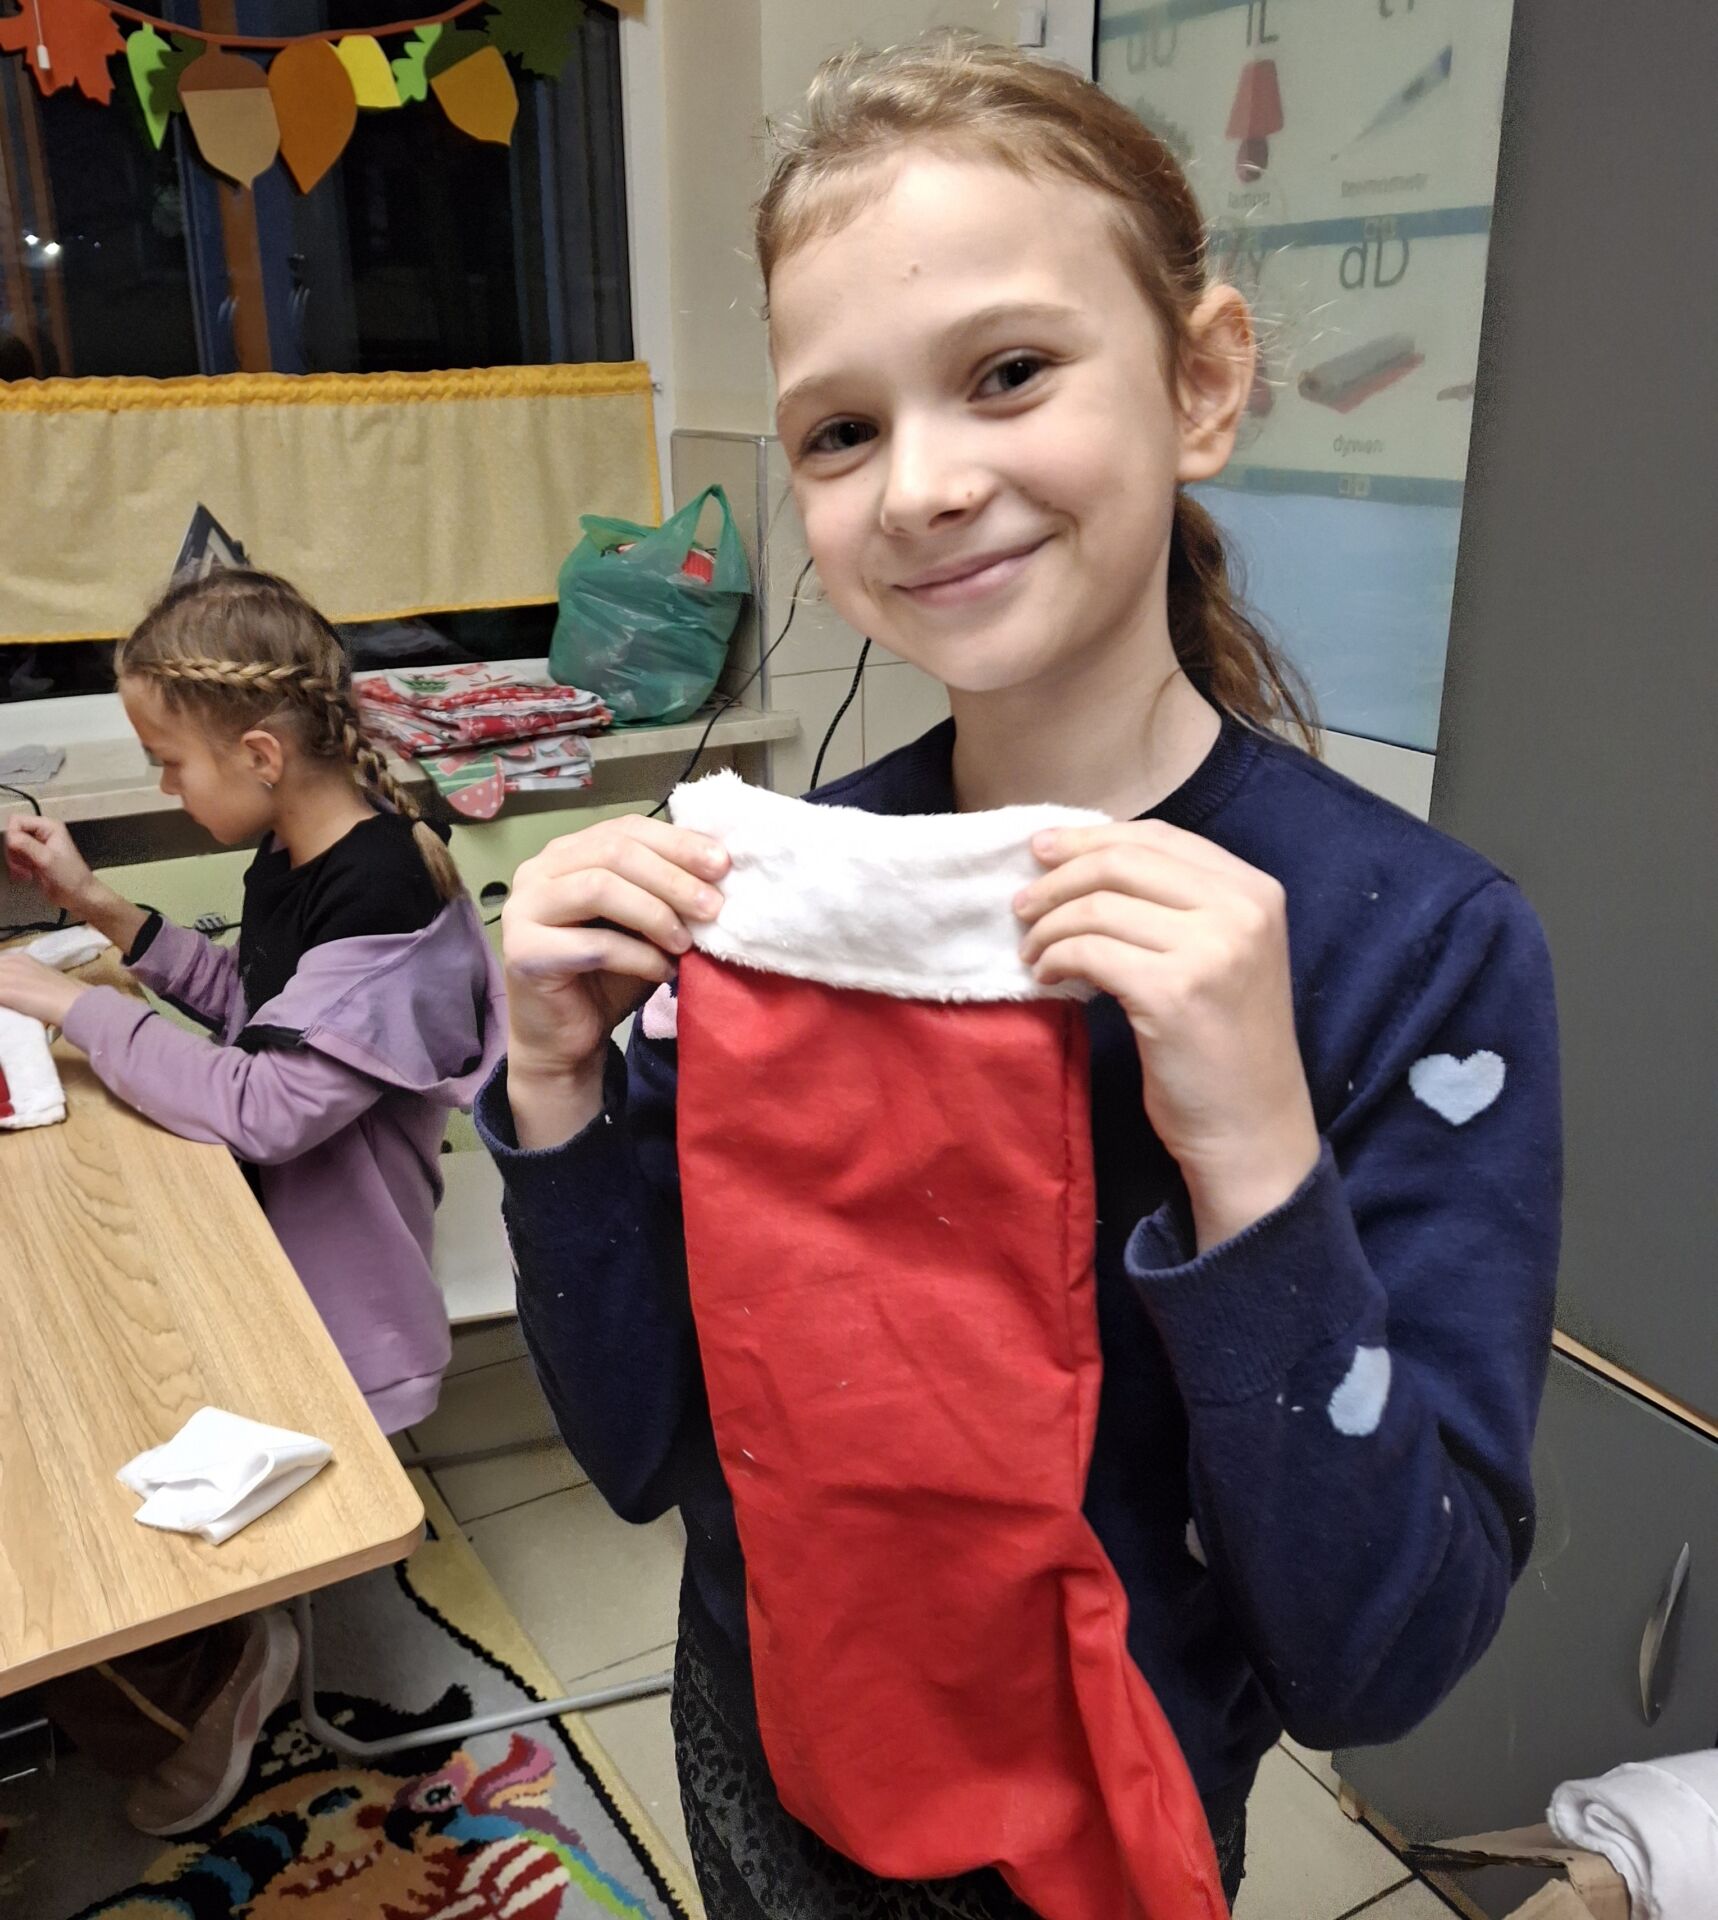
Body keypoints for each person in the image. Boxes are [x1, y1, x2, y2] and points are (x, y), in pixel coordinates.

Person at [476, 36, 1561, 1918]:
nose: (918, 486)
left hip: (1106, 1817)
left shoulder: (1414, 946)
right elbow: (647, 1450)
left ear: (1199, 381)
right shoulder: (778, 898)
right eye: (838, 431)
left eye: (1005, 374)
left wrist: (1256, 1164)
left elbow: (1376, 1664)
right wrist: (557, 1092)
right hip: (765, 1730)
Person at [0, 568, 504, 1835]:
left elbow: (268, 1106)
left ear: (262, 753)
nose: (167, 788)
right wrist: (104, 914)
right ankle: (218, 1635)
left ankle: (234, 1659)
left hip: (338, 1273)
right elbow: (264, 1018)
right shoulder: (300, 850)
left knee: (135, 1392)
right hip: (281, 1222)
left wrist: (71, 1004)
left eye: (168, 764)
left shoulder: (382, 900)